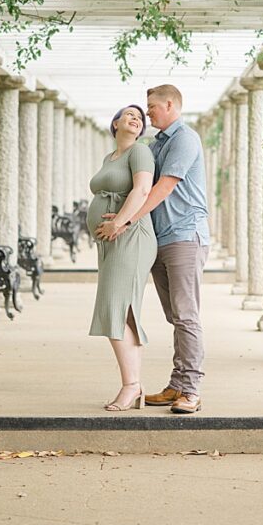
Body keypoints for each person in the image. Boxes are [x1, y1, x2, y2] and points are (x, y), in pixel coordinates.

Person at [96, 84, 210, 414]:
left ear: (170, 104)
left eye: (151, 107)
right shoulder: (156, 144)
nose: (148, 113)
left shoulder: (185, 138)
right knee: (176, 315)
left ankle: (190, 389)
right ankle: (177, 384)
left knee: (186, 315)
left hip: (185, 236)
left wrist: (125, 221)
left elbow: (163, 187)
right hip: (160, 239)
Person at [86, 104, 157, 411]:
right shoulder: (110, 157)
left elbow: (142, 191)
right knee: (124, 311)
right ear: (115, 123)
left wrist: (119, 223)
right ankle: (135, 386)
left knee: (115, 309)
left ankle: (130, 386)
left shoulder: (140, 152)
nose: (136, 118)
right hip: (113, 242)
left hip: (131, 237)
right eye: (129, 114)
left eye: (140, 117)